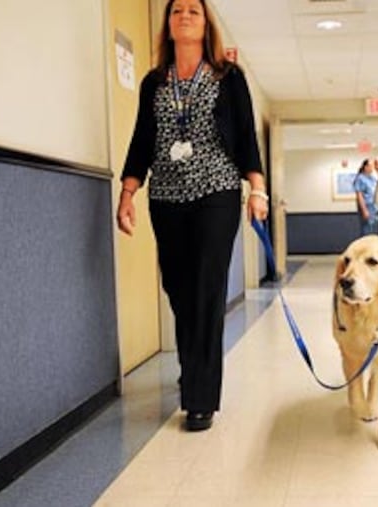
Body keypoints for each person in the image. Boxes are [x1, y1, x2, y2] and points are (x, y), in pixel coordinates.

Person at [116, 0, 268, 432]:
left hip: (216, 193)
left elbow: (244, 136)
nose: (184, 14)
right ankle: (193, 366)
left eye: (194, 10)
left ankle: (200, 399)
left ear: (206, 25)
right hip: (166, 197)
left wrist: (256, 188)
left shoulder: (228, 76)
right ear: (168, 23)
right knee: (179, 290)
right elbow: (142, 138)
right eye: (177, 9)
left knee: (206, 289)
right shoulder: (153, 82)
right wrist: (128, 193)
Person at [352, 158, 378, 236]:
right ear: (365, 167)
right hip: (367, 207)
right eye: (371, 166)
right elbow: (359, 196)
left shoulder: (373, 178)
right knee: (367, 230)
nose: (372, 168)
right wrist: (364, 210)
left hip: (375, 208)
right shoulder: (360, 178)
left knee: (374, 230)